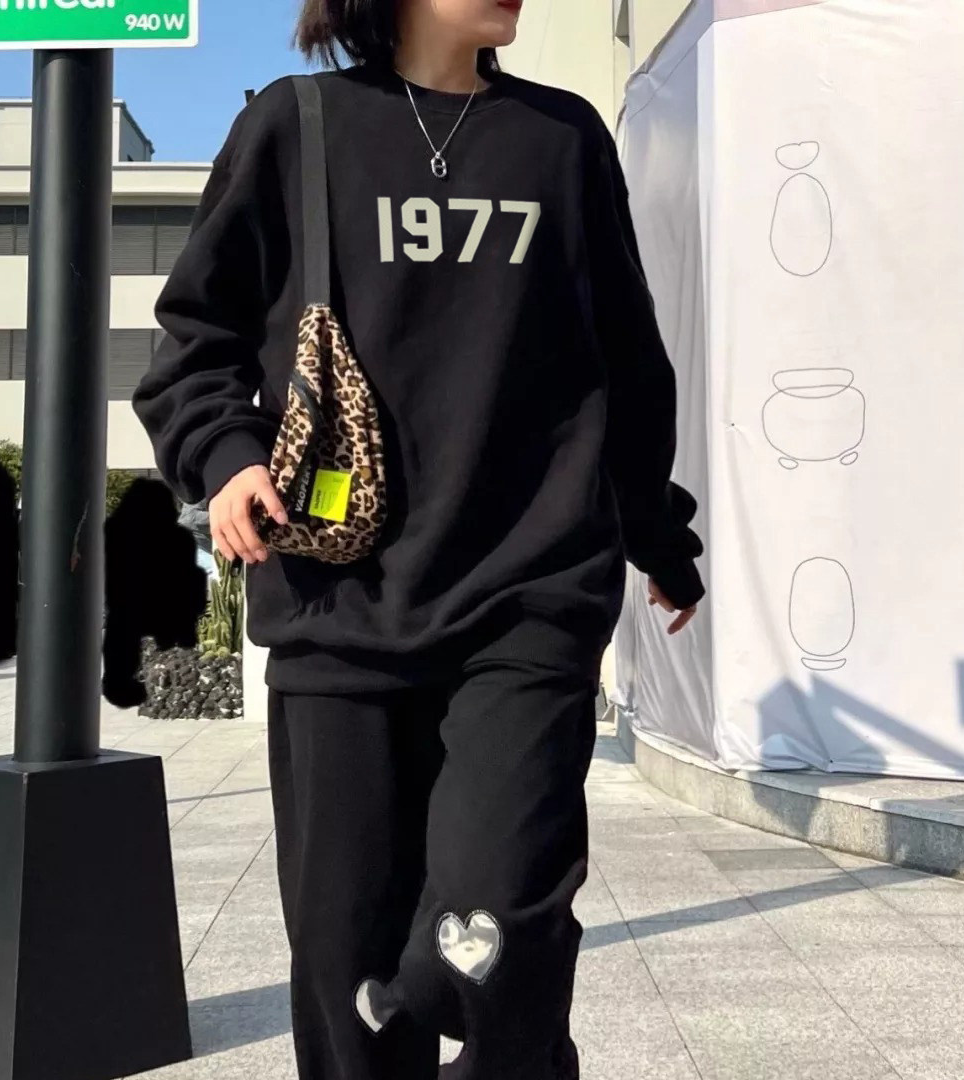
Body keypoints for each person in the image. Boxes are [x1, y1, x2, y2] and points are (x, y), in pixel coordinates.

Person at [133, 0, 705, 1076]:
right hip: (339, 606)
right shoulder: (296, 126)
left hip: (530, 596)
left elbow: (625, 361)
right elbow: (196, 341)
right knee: (346, 959)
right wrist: (227, 457)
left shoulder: (563, 139)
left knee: (501, 913)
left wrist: (657, 535)